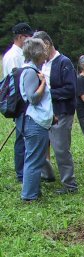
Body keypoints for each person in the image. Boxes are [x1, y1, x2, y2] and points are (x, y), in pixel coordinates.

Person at [33, 31, 78, 195]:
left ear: (47, 43)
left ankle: (70, 184)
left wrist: (46, 92)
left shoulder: (64, 62)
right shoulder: (41, 64)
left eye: (39, 47)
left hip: (62, 112)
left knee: (60, 148)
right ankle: (47, 175)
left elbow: (70, 89)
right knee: (41, 146)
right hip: (44, 113)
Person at [17, 38, 53, 202]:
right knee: (33, 160)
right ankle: (29, 196)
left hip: (36, 121)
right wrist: (44, 83)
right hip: (34, 122)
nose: (46, 53)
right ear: (37, 53)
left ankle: (33, 191)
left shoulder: (30, 70)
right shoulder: (30, 72)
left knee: (35, 158)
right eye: (43, 50)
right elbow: (32, 97)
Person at [3, 22, 33, 184]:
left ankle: (26, 170)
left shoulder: (21, 53)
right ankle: (21, 173)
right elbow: (16, 82)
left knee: (25, 138)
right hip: (20, 103)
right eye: (28, 37)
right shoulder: (13, 56)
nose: (30, 40)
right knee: (21, 139)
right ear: (21, 37)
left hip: (27, 104)